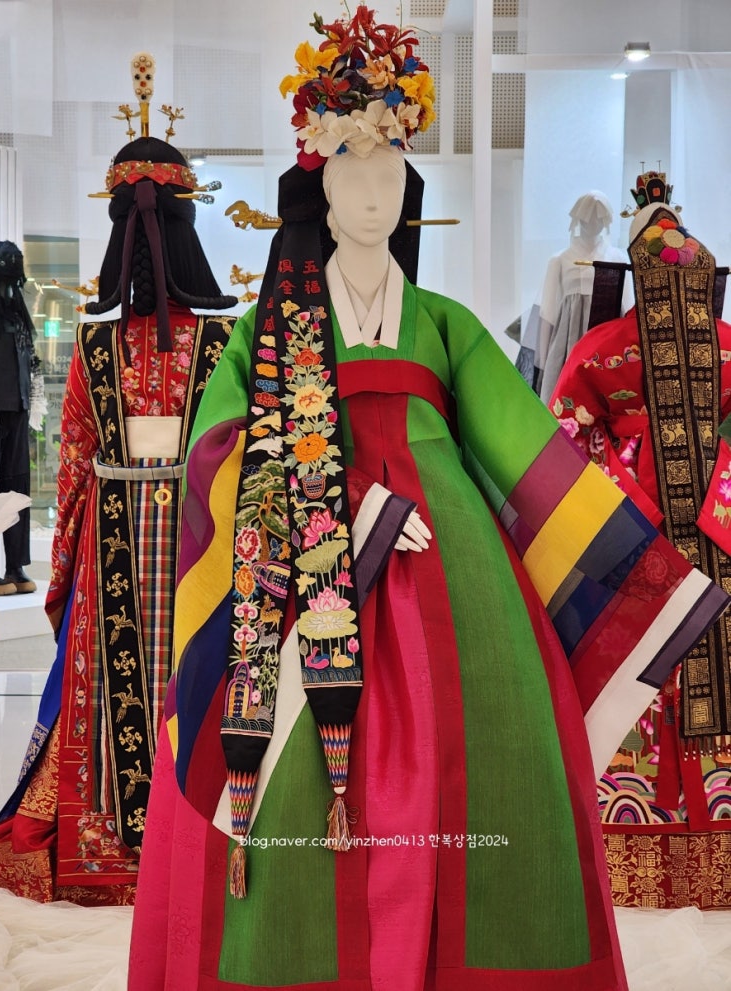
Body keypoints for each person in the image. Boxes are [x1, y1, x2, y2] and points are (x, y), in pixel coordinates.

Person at [128, 12, 727, 989]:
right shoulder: (266, 333)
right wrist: (339, 506)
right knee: (290, 791)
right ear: (319, 183)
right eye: (352, 168)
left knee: (500, 751)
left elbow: (529, 450)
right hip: (303, 574)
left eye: (391, 170)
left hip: (461, 582)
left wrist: (647, 570)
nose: (373, 192)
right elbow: (217, 453)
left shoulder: (443, 325)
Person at [0, 72, 238, 905]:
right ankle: (204, 836)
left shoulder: (95, 347)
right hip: (202, 534)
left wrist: (62, 565)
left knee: (110, 678)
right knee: (201, 666)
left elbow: (71, 465)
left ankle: (111, 839)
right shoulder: (225, 341)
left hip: (112, 535)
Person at [550, 171, 731, 910]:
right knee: (643, 670)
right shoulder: (605, 351)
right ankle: (634, 837)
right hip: (639, 539)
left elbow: (567, 434)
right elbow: (566, 435)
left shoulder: (623, 348)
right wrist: (627, 508)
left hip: (693, 534)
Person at [518, 191, 629, 400]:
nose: (592, 224)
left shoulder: (617, 258)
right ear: (579, 220)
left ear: (605, 222)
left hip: (606, 336)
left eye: (598, 218)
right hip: (568, 337)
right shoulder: (559, 260)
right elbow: (548, 313)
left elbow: (627, 309)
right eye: (588, 218)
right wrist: (544, 363)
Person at [0, 240, 43, 596]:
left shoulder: (17, 313)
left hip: (18, 407)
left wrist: (34, 401)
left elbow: (31, 361)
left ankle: (15, 564)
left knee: (17, 486)